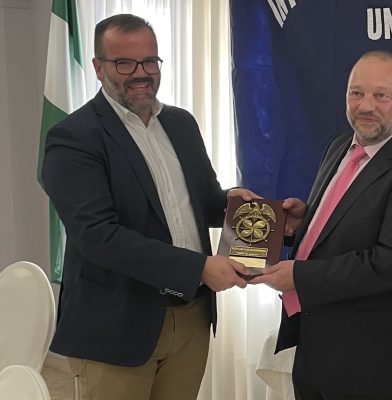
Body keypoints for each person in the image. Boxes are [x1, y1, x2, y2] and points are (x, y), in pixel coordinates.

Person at [40, 13, 301, 400]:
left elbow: (202, 203)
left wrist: (258, 216)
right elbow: (99, 237)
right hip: (116, 326)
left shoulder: (180, 124)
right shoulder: (73, 138)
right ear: (98, 67)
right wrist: (198, 268)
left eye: (150, 61)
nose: (141, 73)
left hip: (190, 317)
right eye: (125, 63)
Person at [251, 50, 392, 400]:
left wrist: (299, 276)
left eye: (381, 95)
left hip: (375, 366)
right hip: (315, 350)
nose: (366, 106)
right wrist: (303, 222)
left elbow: (390, 265)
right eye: (356, 93)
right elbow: (344, 224)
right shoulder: (339, 146)